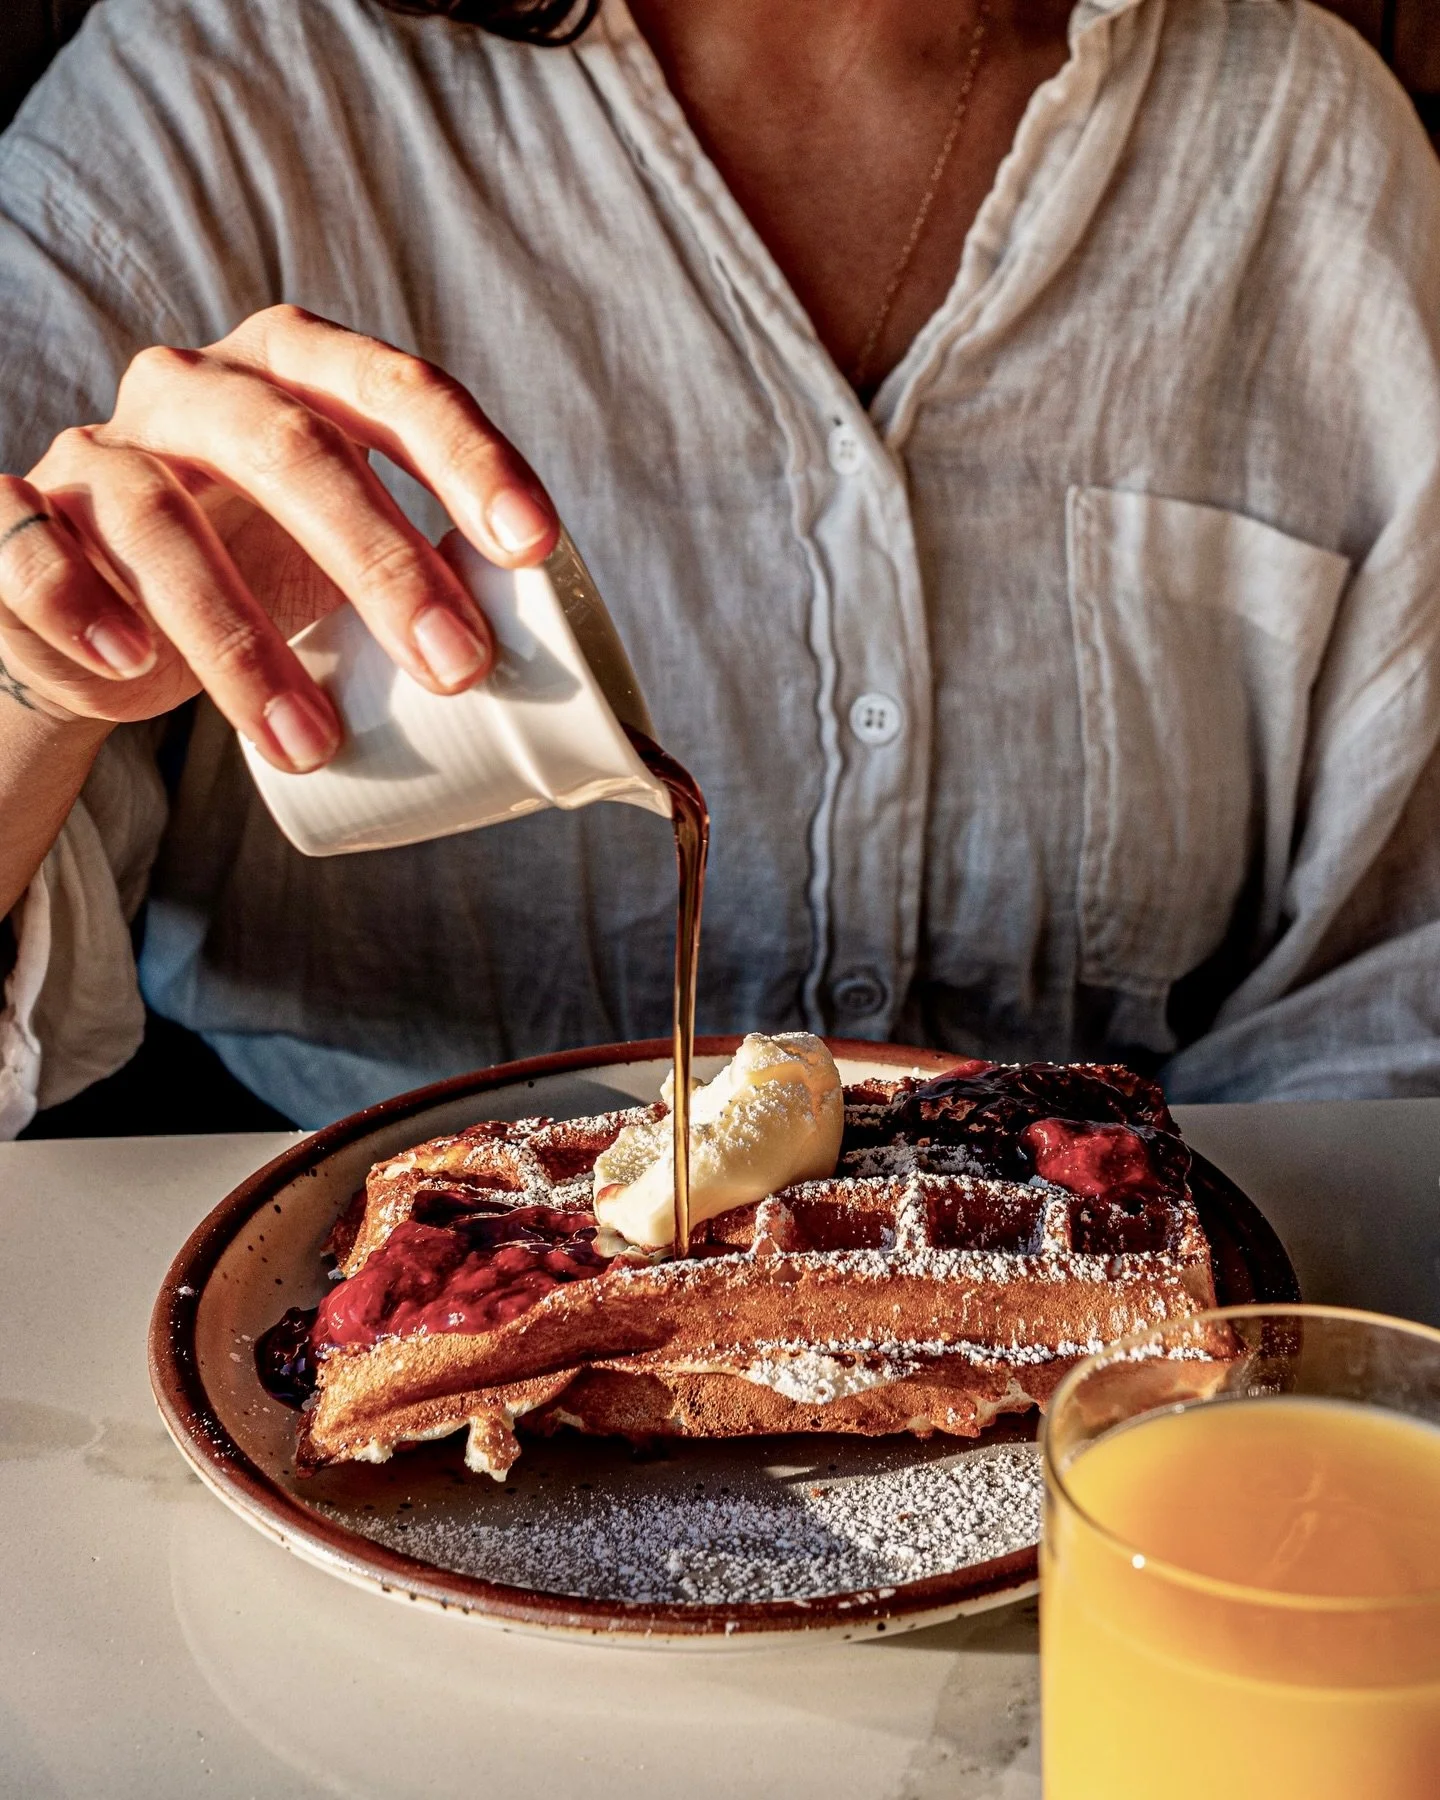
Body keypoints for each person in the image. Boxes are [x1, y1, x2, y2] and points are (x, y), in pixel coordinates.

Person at [1, 0, 1439, 1136]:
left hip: (1134, 1356)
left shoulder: (1301, 141)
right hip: (301, 1280)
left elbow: (1392, 999)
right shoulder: (213, 97)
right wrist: (44, 683)